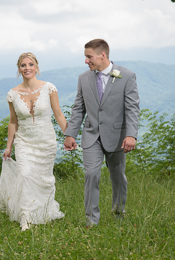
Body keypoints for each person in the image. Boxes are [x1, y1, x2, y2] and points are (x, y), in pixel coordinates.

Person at [64, 39, 140, 227]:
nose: (86, 61)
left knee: (118, 176)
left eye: (89, 57)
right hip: (91, 136)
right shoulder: (83, 78)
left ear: (102, 55)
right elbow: (78, 108)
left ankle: (118, 213)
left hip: (117, 137)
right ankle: (91, 221)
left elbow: (132, 108)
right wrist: (70, 134)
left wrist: (131, 135)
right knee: (91, 174)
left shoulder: (127, 76)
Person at [0, 52, 67, 231]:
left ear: (36, 67)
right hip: (24, 142)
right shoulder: (12, 94)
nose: (27, 68)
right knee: (25, 175)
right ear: (19, 69)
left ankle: (44, 211)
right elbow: (13, 121)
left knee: (45, 180)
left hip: (46, 141)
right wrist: (8, 147)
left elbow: (58, 114)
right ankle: (26, 218)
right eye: (23, 65)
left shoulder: (49, 88)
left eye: (30, 64)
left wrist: (69, 135)